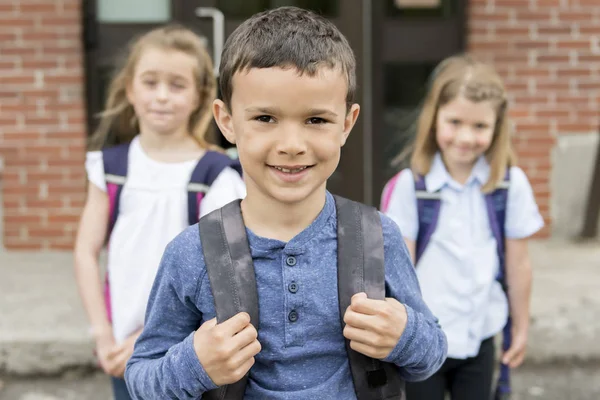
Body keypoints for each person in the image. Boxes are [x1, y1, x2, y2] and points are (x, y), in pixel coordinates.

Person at [125, 6, 447, 400]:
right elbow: (141, 378)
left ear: (347, 123)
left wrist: (404, 335)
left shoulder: (378, 237)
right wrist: (195, 364)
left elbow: (430, 354)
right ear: (226, 121)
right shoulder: (191, 253)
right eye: (264, 118)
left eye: (316, 120)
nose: (292, 145)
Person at [73, 25, 246, 400]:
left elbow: (223, 273)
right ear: (130, 89)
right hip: (120, 350)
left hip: (189, 351)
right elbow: (86, 252)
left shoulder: (215, 175)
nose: (162, 96)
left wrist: (145, 339)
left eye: (177, 85)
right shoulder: (110, 168)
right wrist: (104, 337)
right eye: (150, 83)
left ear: (200, 95)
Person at [381, 54, 544, 400]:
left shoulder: (510, 185)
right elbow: (398, 274)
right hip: (422, 343)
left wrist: (521, 326)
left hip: (480, 336)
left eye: (480, 127)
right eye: (455, 122)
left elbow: (518, 265)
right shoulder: (410, 187)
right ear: (434, 119)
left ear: (496, 128)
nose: (466, 137)